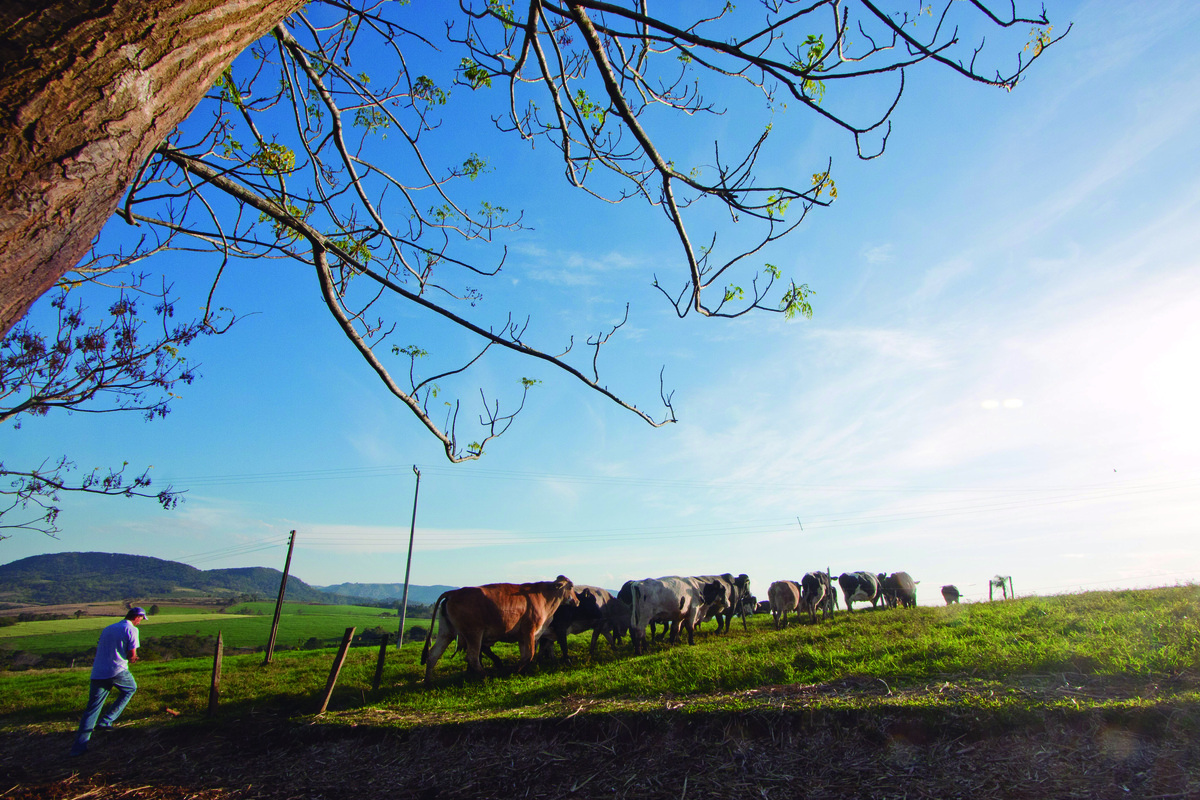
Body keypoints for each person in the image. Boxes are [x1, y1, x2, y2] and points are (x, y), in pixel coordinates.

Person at [69, 607, 147, 756]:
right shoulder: (132, 630)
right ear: (137, 617)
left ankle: (78, 748)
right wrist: (134, 658)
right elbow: (132, 654)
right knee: (130, 689)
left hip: (98, 671)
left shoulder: (109, 628)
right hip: (117, 669)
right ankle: (107, 720)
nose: (141, 622)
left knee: (92, 708)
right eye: (142, 618)